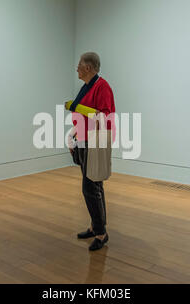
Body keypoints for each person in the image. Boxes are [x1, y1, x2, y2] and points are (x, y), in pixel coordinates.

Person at [68, 52, 115, 251]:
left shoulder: (102, 86)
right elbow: (82, 111)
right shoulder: (87, 86)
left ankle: (101, 234)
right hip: (84, 139)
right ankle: (96, 226)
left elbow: (104, 115)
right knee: (95, 186)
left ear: (88, 68)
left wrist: (79, 108)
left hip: (95, 141)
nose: (76, 68)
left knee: (90, 187)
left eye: (79, 65)